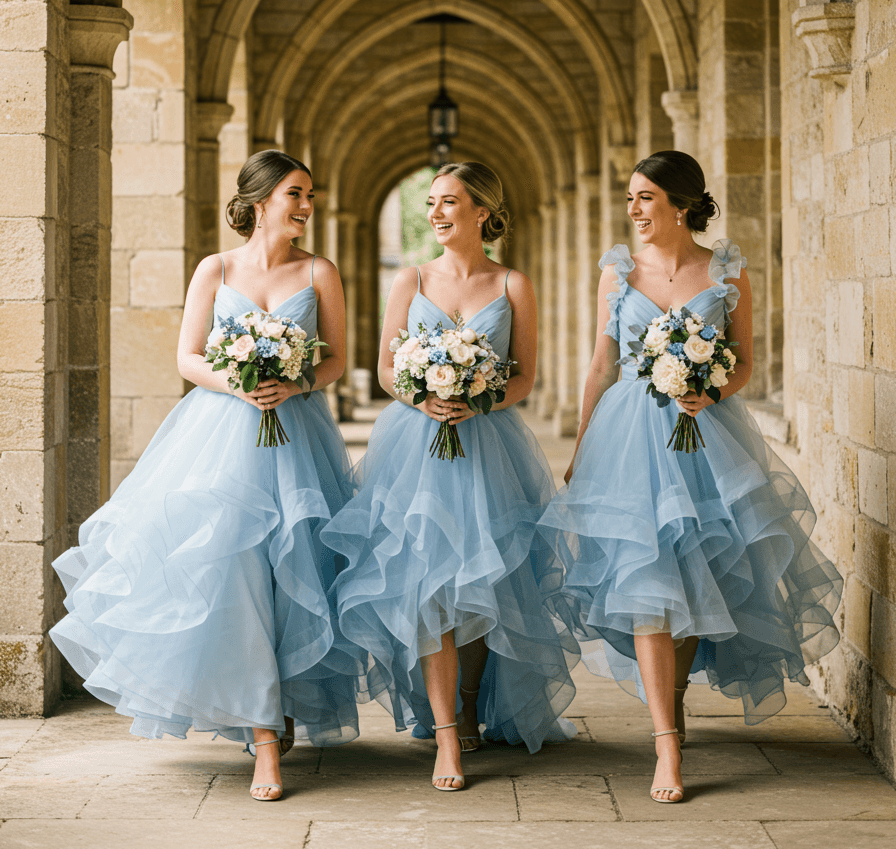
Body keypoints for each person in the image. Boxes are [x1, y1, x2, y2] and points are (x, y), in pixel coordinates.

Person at [51, 150, 362, 803]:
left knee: (291, 576)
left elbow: (335, 360)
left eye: (310, 195)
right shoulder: (214, 269)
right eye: (295, 194)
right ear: (258, 201)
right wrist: (240, 383)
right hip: (219, 439)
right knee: (237, 575)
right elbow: (189, 356)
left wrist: (295, 380)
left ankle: (275, 707)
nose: (307, 206)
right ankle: (265, 741)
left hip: (296, 441)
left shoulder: (319, 271)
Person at [539, 150, 842, 805]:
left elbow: (746, 366)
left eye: (645, 197)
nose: (634, 211)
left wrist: (710, 387)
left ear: (681, 203)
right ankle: (666, 745)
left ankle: (670, 707)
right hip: (627, 441)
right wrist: (583, 443)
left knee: (698, 574)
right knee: (647, 583)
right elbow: (599, 365)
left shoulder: (728, 271)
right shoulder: (617, 273)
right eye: (629, 199)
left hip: (706, 439)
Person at [322, 161, 577, 792]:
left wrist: (479, 400)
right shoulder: (410, 280)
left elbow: (524, 375)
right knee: (430, 586)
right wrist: (424, 398)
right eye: (432, 203)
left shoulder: (513, 283)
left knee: (480, 584)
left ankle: (468, 708)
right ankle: (443, 736)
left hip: (489, 445)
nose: (436, 213)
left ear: (483, 212)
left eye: (449, 203)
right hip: (417, 447)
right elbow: (386, 369)